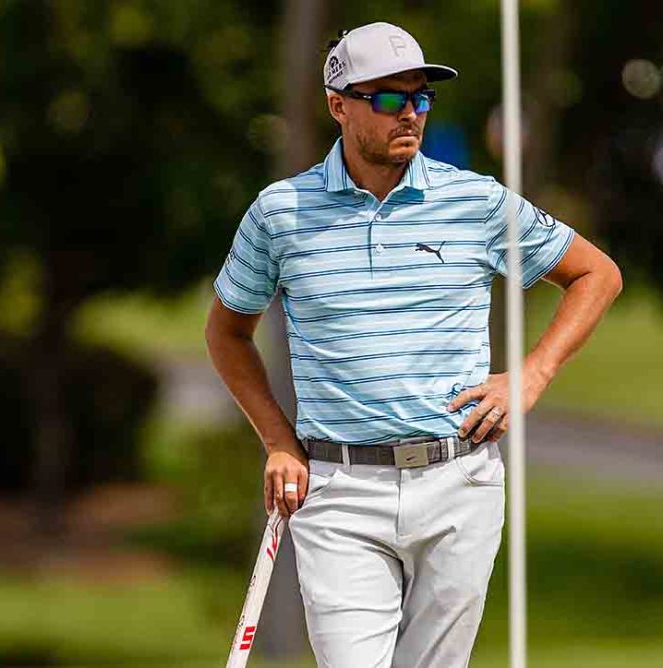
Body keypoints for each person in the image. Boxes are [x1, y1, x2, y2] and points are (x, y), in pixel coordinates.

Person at [205, 22, 621, 668]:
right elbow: (227, 332)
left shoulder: (476, 202)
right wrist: (279, 442)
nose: (412, 114)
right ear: (338, 104)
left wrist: (532, 376)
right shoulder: (279, 214)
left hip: (460, 482)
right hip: (338, 490)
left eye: (421, 98)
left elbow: (597, 275)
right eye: (391, 99)